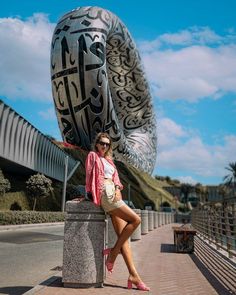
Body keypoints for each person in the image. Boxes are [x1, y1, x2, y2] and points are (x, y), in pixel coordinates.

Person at [85, 132, 150, 291]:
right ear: (97, 143)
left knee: (124, 240)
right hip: (105, 194)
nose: (104, 146)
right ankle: (113, 253)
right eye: (102, 143)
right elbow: (88, 176)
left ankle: (133, 276)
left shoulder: (109, 161)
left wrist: (117, 187)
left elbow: (117, 181)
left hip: (113, 194)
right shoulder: (93, 156)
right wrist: (87, 195)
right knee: (135, 220)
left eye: (107, 144)